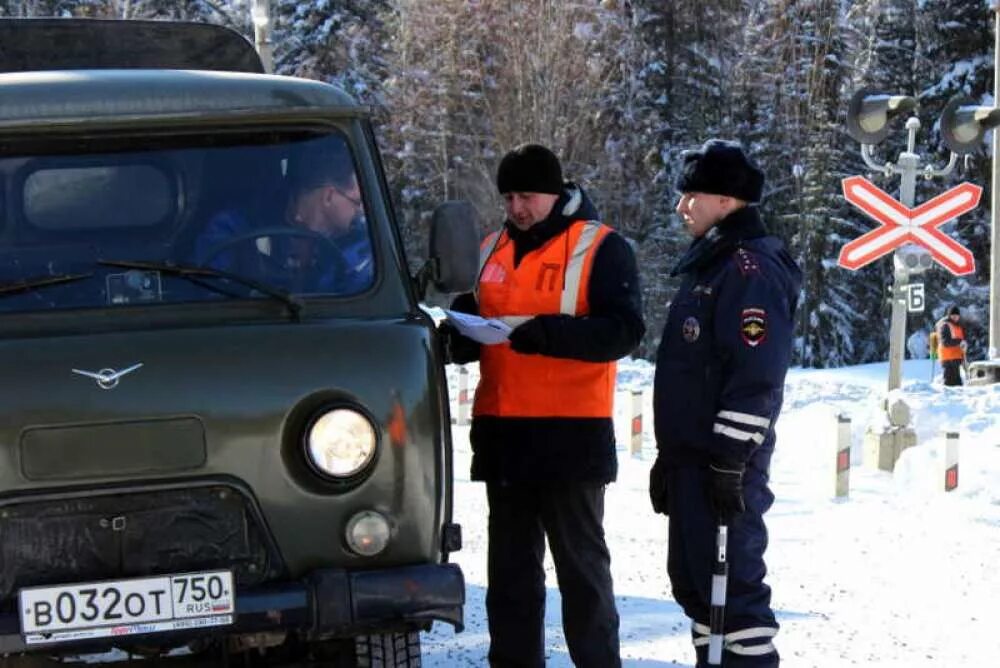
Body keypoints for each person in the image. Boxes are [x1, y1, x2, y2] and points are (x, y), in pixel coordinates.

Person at [442, 144, 644, 667]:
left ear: (555, 193)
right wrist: (456, 339)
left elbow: (624, 331)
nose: (517, 208)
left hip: (571, 438)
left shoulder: (600, 247)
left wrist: (550, 334)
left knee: (582, 577)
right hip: (504, 436)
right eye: (509, 197)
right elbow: (470, 318)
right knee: (510, 582)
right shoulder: (489, 249)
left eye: (527, 196)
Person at [649, 140, 800, 667]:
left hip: (723, 466)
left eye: (691, 194)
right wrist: (671, 458)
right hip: (693, 462)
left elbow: (756, 375)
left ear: (726, 200)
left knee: (733, 596)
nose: (680, 206)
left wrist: (728, 459)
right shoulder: (709, 265)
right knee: (696, 588)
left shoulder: (748, 269)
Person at [192, 137, 373, 295]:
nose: (360, 211)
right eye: (356, 202)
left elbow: (361, 301)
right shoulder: (235, 227)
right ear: (329, 196)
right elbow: (207, 292)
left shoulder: (359, 248)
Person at [936, 305, 966, 386]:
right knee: (949, 382)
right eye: (953, 315)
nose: (955, 317)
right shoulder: (945, 325)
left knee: (957, 382)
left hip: (955, 357)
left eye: (957, 315)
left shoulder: (958, 326)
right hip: (948, 358)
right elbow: (945, 342)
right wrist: (959, 342)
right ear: (950, 315)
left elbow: (960, 342)